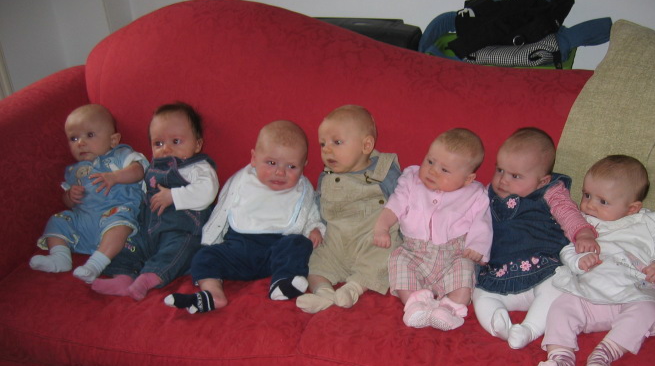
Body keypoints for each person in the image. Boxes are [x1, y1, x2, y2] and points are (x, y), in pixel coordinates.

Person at [536, 155, 655, 366]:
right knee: (560, 307)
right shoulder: (585, 223)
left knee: (649, 308)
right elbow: (567, 250)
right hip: (589, 292)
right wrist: (579, 261)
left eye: (603, 201)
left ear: (632, 208)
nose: (589, 205)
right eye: (586, 195)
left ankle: (606, 353)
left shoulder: (651, 222)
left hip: (634, 290)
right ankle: (561, 359)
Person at [164, 120, 323, 313]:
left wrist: (314, 228)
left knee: (298, 243)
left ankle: (283, 281)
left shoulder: (302, 189)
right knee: (203, 256)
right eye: (271, 163)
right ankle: (213, 293)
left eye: (292, 166)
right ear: (254, 158)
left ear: (304, 165)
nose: (280, 172)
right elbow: (223, 209)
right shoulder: (242, 181)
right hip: (238, 249)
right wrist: (211, 239)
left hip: (276, 251)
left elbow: (310, 211)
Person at [473, 127, 599, 348]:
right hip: (499, 275)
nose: (503, 180)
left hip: (544, 270)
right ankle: (498, 324)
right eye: (500, 170)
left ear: (542, 181)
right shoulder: (486, 194)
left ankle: (529, 329)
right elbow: (470, 218)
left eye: (515, 176)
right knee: (479, 294)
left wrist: (583, 232)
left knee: (560, 287)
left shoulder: (550, 191)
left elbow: (567, 212)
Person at [91, 102, 219, 300]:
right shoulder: (152, 169)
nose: (166, 149)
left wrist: (173, 196)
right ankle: (123, 277)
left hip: (181, 230)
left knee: (181, 249)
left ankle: (147, 279)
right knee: (127, 246)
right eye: (158, 143)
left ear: (197, 144)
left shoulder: (198, 168)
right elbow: (143, 195)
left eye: (176, 141)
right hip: (148, 231)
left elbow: (207, 192)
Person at [373, 128, 492, 330]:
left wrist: (477, 246)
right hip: (414, 251)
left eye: (444, 170)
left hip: (453, 254)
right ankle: (415, 304)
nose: (433, 171)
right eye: (430, 161)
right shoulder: (411, 180)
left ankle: (450, 309)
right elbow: (396, 203)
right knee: (398, 260)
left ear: (467, 179)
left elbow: (482, 222)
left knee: (465, 268)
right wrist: (382, 226)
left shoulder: (475, 195)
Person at [296, 105, 402, 313]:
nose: (327, 150)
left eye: (337, 142)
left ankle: (353, 289)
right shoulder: (326, 176)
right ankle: (324, 293)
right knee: (314, 264)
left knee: (388, 257)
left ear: (366, 145)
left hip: (372, 241)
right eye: (323, 144)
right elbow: (319, 207)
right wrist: (315, 228)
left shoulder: (384, 171)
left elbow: (405, 205)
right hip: (336, 244)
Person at [29, 103, 148, 284]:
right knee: (57, 220)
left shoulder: (120, 154)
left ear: (113, 140)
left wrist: (115, 176)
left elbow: (139, 171)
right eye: (74, 138)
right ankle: (60, 257)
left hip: (114, 213)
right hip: (83, 221)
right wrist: (70, 196)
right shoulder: (74, 171)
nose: (80, 143)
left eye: (90, 135)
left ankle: (96, 264)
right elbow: (68, 202)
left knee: (120, 224)